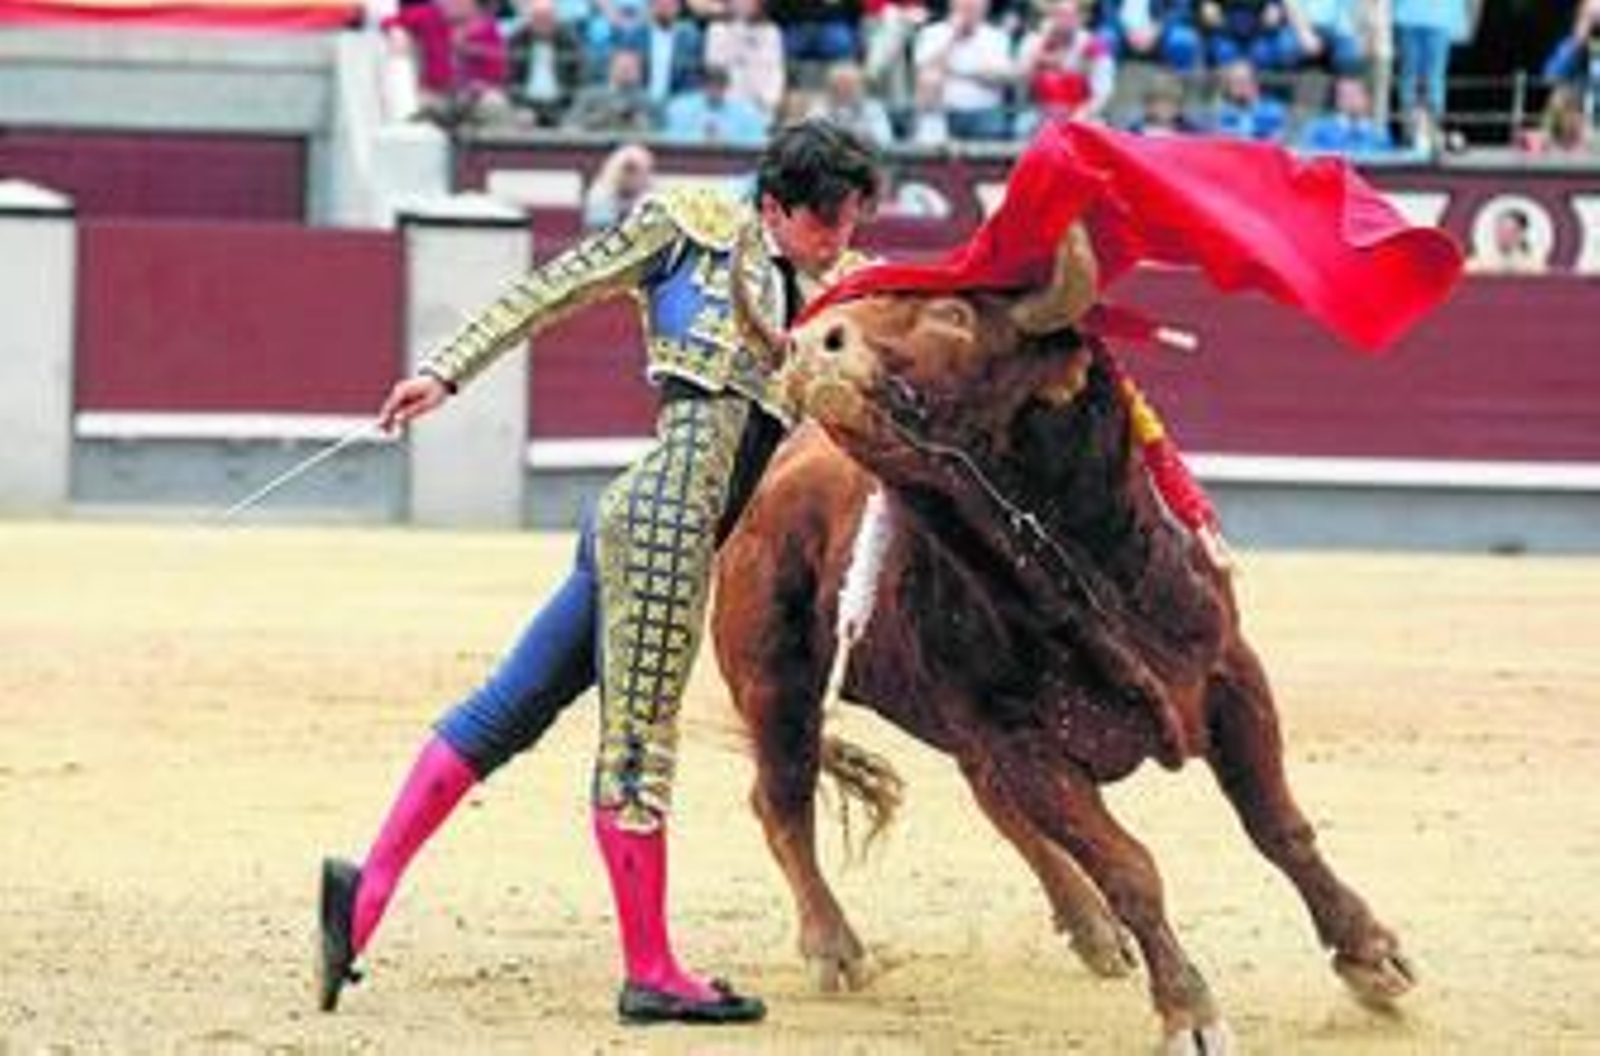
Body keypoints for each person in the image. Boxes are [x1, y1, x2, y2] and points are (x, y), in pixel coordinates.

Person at [315, 119, 882, 1024]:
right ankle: (650, 969)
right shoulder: (686, 225)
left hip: (649, 523)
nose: (838, 238)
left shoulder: (839, 294)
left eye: (850, 219)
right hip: (663, 526)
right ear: (772, 204)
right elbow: (552, 290)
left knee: (511, 708)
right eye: (823, 220)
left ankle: (366, 890)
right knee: (637, 750)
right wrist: (444, 375)